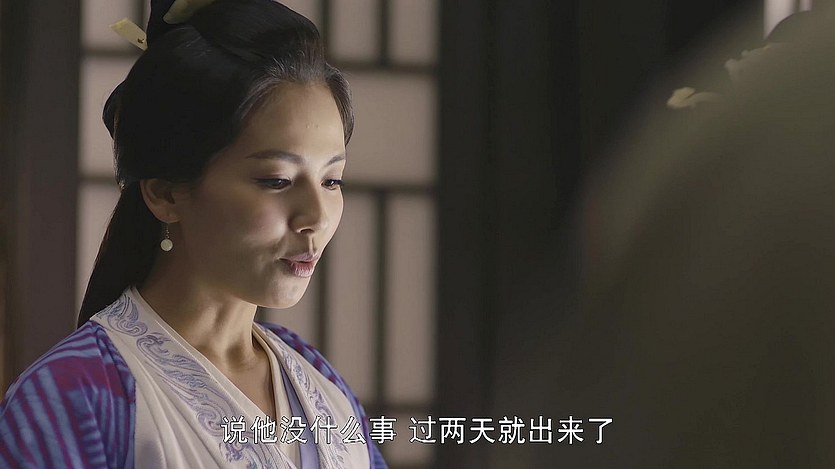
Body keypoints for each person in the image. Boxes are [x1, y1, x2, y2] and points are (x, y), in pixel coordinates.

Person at [0, 0, 386, 467]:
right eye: (276, 180)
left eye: (332, 181)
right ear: (165, 193)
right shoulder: (70, 396)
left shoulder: (315, 378)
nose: (316, 217)